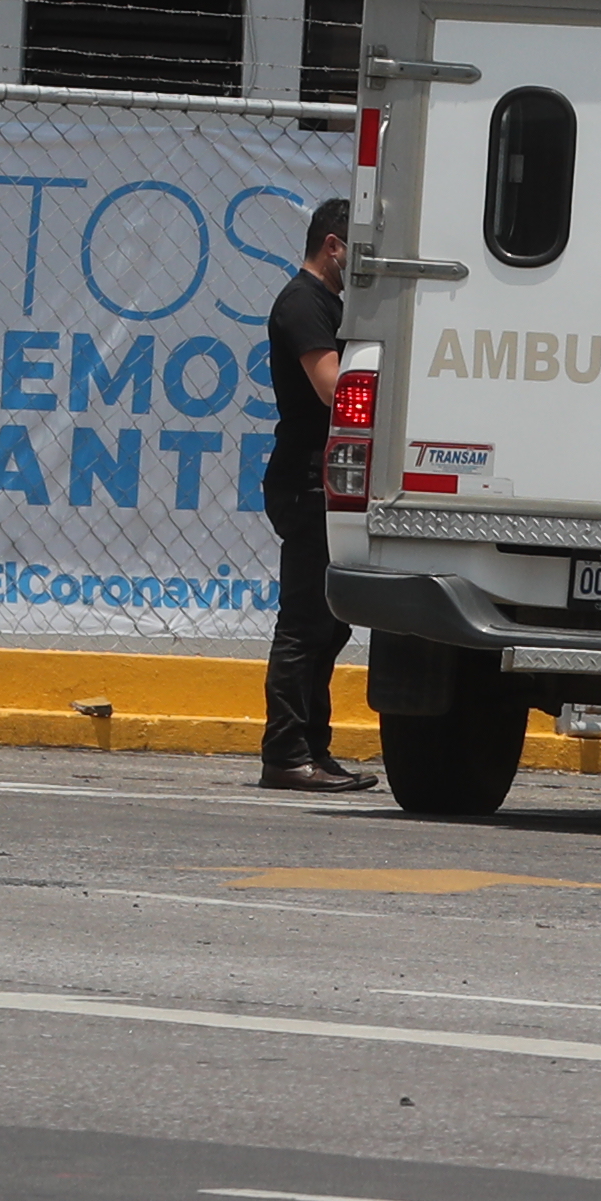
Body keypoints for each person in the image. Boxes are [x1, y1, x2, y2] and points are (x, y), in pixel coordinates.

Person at [258, 197, 371, 792]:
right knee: (303, 623)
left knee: (330, 625)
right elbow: (333, 389)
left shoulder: (330, 303)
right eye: (357, 249)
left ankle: (314, 748)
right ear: (333, 245)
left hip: (328, 478)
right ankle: (285, 754)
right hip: (306, 479)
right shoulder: (303, 303)